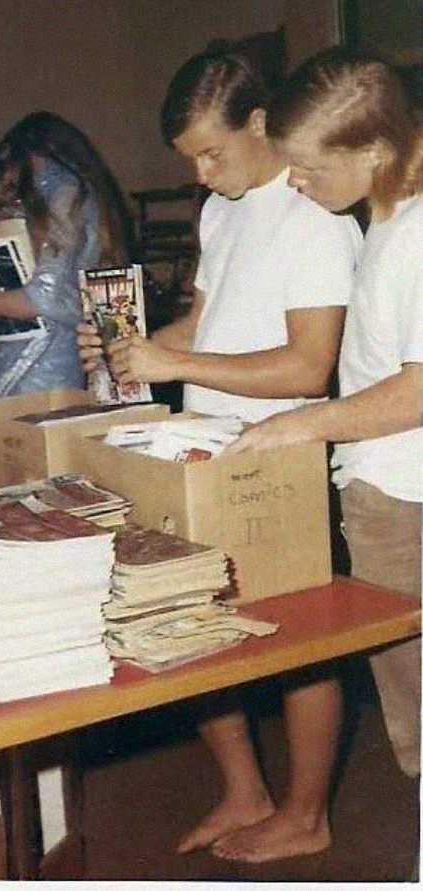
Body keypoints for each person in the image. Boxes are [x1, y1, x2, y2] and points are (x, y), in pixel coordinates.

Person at [78, 47, 362, 861]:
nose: (202, 174)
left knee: (301, 639)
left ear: (263, 125)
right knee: (190, 622)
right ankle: (246, 787)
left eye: (213, 151)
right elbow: (201, 329)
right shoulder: (222, 210)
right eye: (192, 159)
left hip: (282, 452)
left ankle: (308, 814)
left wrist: (178, 366)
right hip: (206, 442)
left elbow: (309, 365)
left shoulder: (317, 218)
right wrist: (134, 352)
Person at [227, 47, 422, 860]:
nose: (296, 183)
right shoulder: (386, 219)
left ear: (372, 152)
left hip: (404, 502)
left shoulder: (412, 237)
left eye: (307, 168)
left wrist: (300, 426)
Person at [0, 111, 133, 399]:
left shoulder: (64, 194)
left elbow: (44, 297)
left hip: (49, 359)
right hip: (29, 351)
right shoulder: (59, 195)